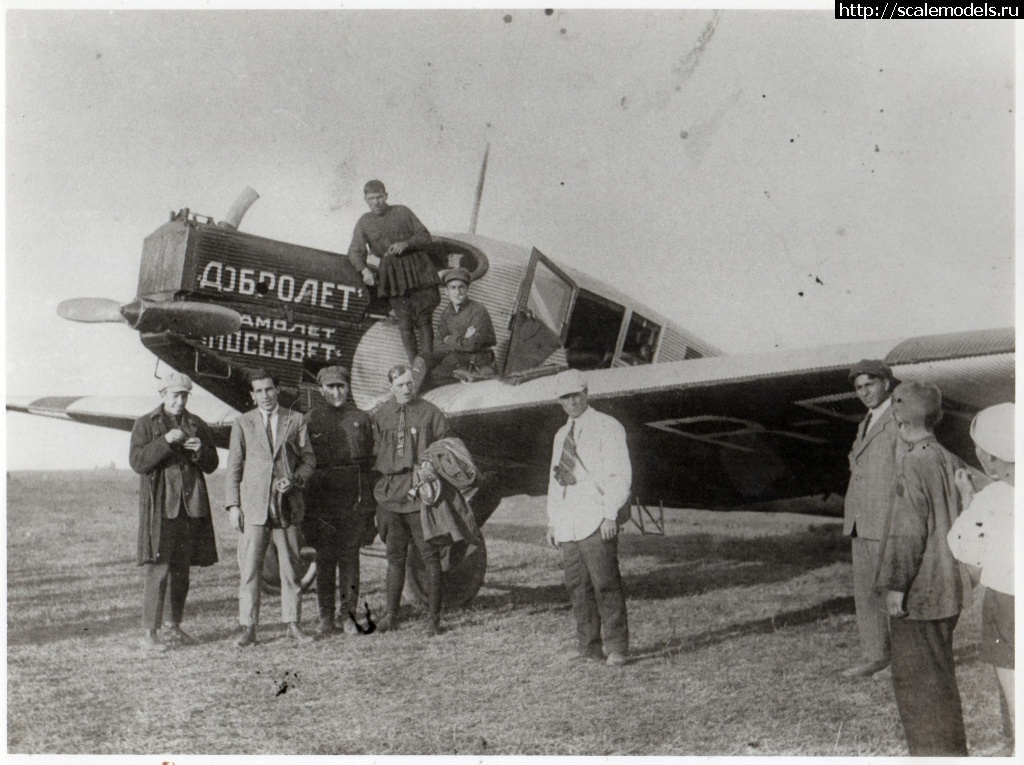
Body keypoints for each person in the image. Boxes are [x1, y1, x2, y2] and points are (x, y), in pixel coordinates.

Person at [878, 381, 969, 756]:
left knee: (919, 690)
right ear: (939, 415)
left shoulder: (914, 462)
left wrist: (896, 586)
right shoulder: (948, 458)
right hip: (949, 589)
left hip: (922, 595)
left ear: (899, 415)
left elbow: (908, 533)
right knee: (941, 681)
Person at [545, 369, 632, 667]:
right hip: (569, 521)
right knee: (577, 588)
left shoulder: (608, 426)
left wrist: (610, 515)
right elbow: (555, 481)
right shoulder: (560, 435)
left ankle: (618, 647)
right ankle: (589, 648)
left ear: (586, 392)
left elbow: (619, 475)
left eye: (575, 395)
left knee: (605, 584)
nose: (571, 402)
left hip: (596, 516)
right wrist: (553, 521)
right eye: (564, 397)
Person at [225, 368, 317, 647]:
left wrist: (296, 479)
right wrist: (233, 505)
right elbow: (234, 468)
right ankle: (248, 628)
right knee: (250, 570)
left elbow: (309, 459)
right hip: (253, 508)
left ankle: (293, 624)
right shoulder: (242, 423)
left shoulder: (296, 420)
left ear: (277, 390)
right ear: (252, 396)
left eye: (269, 389)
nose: (265, 395)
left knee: (291, 568)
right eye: (259, 391)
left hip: (287, 507)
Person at [128, 372, 219, 652]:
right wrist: (166, 440)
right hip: (161, 508)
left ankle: (173, 627)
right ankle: (149, 633)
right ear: (163, 395)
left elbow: (212, 463)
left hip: (190, 508)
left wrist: (200, 450)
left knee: (181, 571)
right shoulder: (145, 424)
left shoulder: (197, 424)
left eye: (184, 396)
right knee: (158, 570)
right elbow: (138, 462)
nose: (179, 401)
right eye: (174, 395)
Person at [948, 402, 1015, 747]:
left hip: (1007, 604)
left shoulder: (991, 498)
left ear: (988, 458)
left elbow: (964, 548)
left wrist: (967, 499)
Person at [371, 363, 453, 634]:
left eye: (409, 384)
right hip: (391, 494)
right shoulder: (382, 414)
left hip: (420, 494)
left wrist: (432, 467)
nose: (405, 389)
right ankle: (391, 616)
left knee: (430, 557)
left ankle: (433, 619)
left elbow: (447, 446)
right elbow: (374, 453)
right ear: (391, 387)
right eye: (399, 385)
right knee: (394, 557)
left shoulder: (431, 412)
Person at [302, 365, 374, 636]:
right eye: (330, 387)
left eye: (341, 386)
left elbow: (369, 463)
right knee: (324, 559)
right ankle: (324, 617)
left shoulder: (362, 419)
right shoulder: (310, 420)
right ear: (321, 389)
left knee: (350, 559)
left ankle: (347, 615)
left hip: (351, 498)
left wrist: (366, 505)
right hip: (321, 500)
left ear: (348, 388)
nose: (336, 392)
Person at [841, 359, 900, 678]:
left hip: (885, 519)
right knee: (866, 593)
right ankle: (876, 656)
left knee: (892, 591)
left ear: (887, 384)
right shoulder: (867, 420)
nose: (865, 392)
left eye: (870, 385)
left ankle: (901, 660)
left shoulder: (900, 415)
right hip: (861, 521)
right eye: (859, 387)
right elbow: (856, 457)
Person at [347, 180, 440, 364]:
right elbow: (354, 250)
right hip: (393, 277)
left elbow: (424, 235)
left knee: (424, 320)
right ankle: (415, 367)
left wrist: (406, 244)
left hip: (418, 271)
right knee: (404, 324)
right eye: (371, 198)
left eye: (379, 197)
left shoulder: (402, 211)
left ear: (386, 196)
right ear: (365, 199)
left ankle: (427, 364)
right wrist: (364, 270)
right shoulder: (364, 222)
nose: (376, 202)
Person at [423, 267, 497, 386]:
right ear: (446, 291)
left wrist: (449, 339)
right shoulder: (446, 313)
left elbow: (471, 345)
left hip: (479, 363)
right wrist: (463, 338)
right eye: (453, 287)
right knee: (429, 377)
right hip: (457, 361)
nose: (457, 292)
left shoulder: (478, 310)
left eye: (461, 287)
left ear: (467, 289)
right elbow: (437, 345)